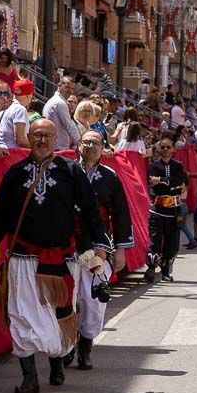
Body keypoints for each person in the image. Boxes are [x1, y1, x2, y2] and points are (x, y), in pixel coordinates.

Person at [0, 119, 110, 393]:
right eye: (37, 135)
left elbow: (90, 211)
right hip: (23, 260)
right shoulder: (16, 173)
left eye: (47, 135)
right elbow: (0, 218)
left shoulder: (71, 171)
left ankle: (57, 362)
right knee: (20, 317)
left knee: (59, 317)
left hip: (62, 260)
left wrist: (100, 245)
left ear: (56, 138)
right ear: (29, 139)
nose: (42, 140)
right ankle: (29, 377)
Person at [66, 130, 133, 371]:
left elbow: (121, 213)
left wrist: (121, 250)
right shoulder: (67, 173)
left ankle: (85, 346)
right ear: (78, 145)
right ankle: (67, 345)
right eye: (87, 142)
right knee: (67, 298)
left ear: (103, 147)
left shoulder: (110, 177)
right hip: (67, 246)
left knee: (93, 301)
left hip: (98, 248)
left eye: (96, 142)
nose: (92, 146)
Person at [146, 134, 187, 283]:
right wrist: (167, 183)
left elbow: (180, 183)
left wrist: (162, 180)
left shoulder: (178, 166)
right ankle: (151, 268)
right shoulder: (154, 166)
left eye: (168, 147)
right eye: (162, 147)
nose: (165, 149)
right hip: (157, 209)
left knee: (172, 243)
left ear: (173, 150)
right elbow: (151, 182)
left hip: (174, 210)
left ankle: (165, 271)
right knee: (154, 240)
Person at [43, 74, 79, 151]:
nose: (70, 91)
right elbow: (69, 127)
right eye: (67, 87)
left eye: (72, 88)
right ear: (59, 86)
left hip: (55, 147)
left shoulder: (55, 101)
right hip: (58, 149)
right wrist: (80, 143)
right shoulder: (60, 103)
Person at [0, 78, 35, 149]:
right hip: (13, 155)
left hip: (3, 153)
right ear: (28, 95)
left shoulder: (6, 107)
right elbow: (20, 140)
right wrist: (36, 149)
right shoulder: (20, 109)